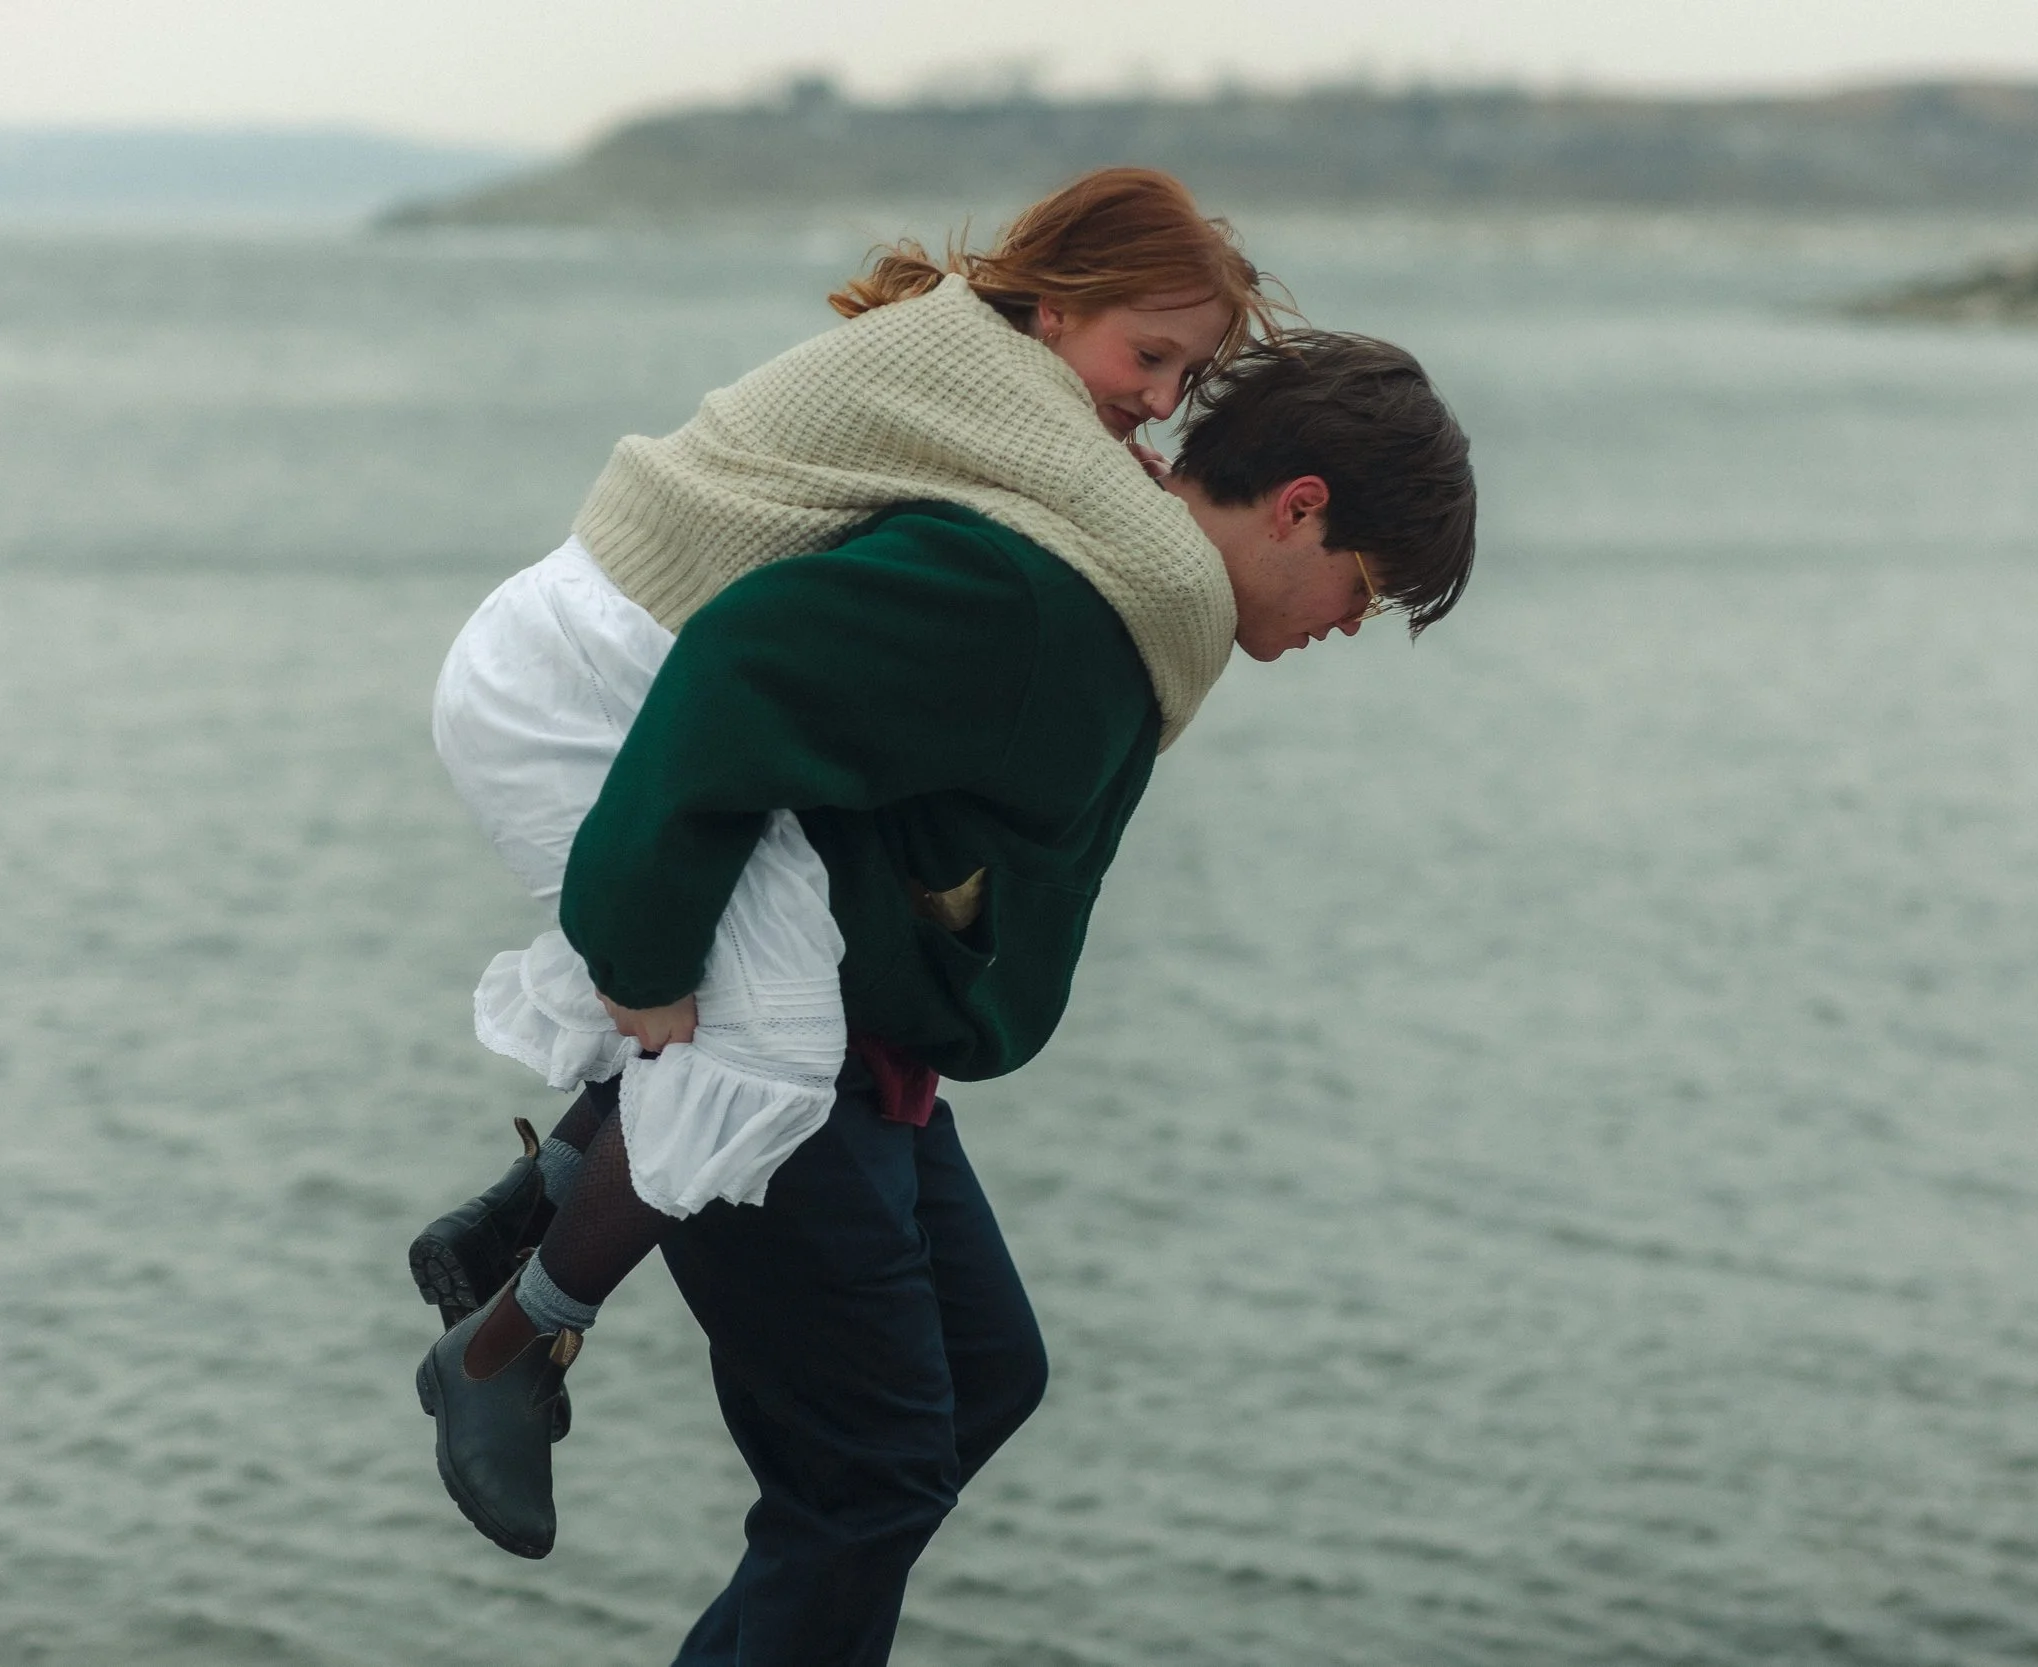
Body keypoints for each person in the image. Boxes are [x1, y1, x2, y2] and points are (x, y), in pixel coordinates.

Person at [417, 324, 1478, 1667]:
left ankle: (554, 1197)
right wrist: (639, 957)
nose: (1348, 627)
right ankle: (519, 1319)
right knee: (870, 1471)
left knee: (983, 1376)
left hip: (873, 1053)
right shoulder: (1047, 596)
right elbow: (748, 661)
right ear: (1301, 507)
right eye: (1368, 589)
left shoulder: (1142, 605)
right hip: (787, 1069)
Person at [411, 172, 1280, 1361]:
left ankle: (510, 1219)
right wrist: (642, 958)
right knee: (767, 1035)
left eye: (1188, 377)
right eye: (1149, 353)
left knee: (761, 981)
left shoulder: (996, 368)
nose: (1160, 398)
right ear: (1059, 307)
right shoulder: (986, 371)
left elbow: (1106, 519)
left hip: (599, 642)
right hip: (580, 677)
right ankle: (506, 1352)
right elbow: (1172, 573)